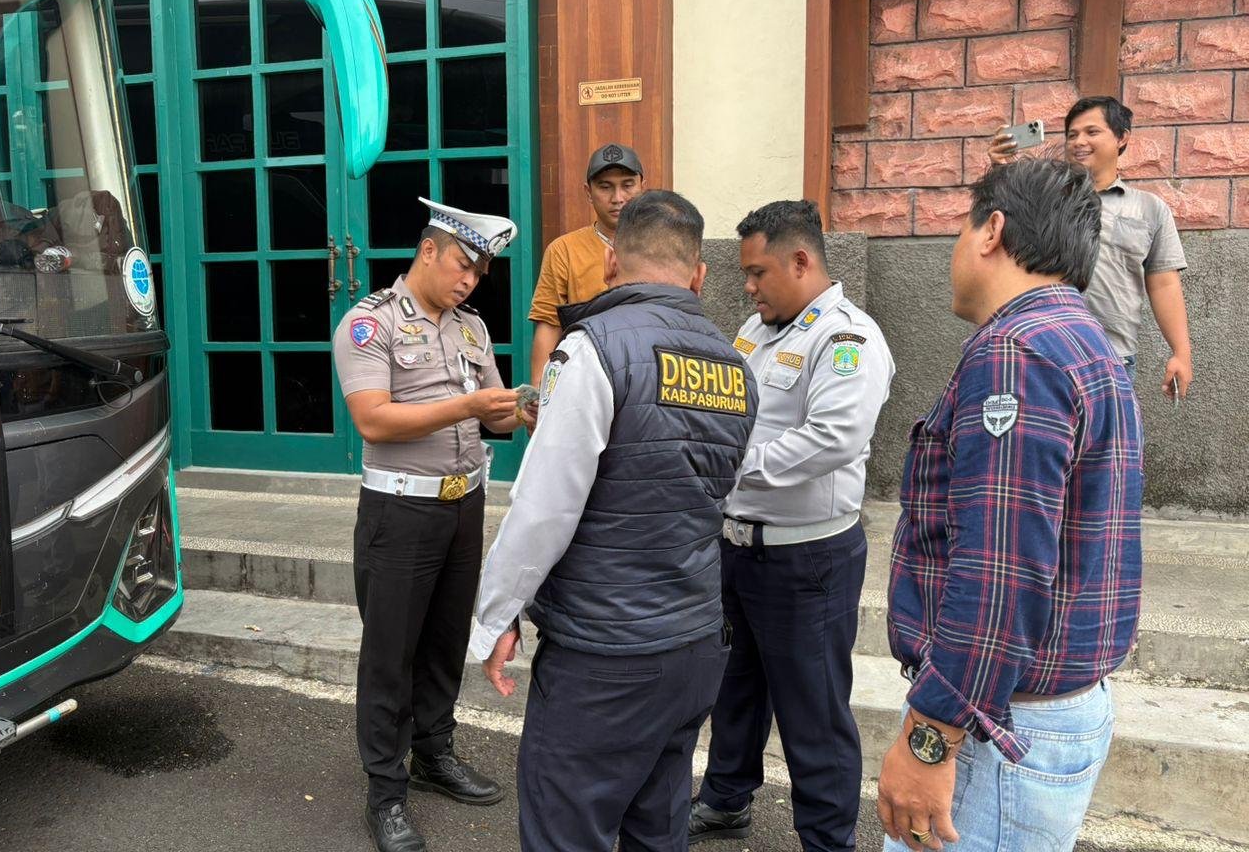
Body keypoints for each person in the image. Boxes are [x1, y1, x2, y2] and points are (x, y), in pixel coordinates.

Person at [471, 189, 757, 852]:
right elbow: (724, 492)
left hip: (604, 653)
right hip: (692, 643)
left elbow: (545, 507)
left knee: (567, 830)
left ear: (608, 264)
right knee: (657, 828)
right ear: (699, 274)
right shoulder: (737, 367)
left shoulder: (592, 350)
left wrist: (496, 616)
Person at [877, 158, 1143, 852]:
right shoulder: (1085, 343)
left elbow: (1001, 569)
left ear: (992, 231)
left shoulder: (1016, 352)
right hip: (1045, 709)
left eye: (961, 230)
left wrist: (931, 735)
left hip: (996, 727)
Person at [690, 200, 894, 852]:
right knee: (735, 688)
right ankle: (725, 800)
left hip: (808, 560)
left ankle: (828, 840)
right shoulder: (756, 330)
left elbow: (832, 438)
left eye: (758, 273)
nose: (748, 287)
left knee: (813, 709)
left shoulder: (846, 339)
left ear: (801, 261)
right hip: (738, 548)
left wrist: (724, 469)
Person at [332, 197, 531, 852]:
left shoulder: (471, 328)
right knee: (391, 655)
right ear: (427, 251)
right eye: (462, 265)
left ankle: (434, 754)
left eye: (479, 273)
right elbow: (373, 419)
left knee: (445, 641)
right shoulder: (371, 323)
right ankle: (385, 792)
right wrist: (470, 405)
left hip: (462, 505)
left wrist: (523, 408)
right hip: (400, 510)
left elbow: (494, 415)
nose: (469, 280)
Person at [989, 95, 1192, 398]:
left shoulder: (1148, 208)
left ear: (1122, 138)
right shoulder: (1042, 198)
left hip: (1113, 358)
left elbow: (1163, 283)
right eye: (1072, 134)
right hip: (1042, 352)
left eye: (1091, 132)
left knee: (1110, 431)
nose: (1078, 142)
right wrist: (1000, 172)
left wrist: (1181, 352)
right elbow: (998, 238)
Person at [527, 142, 644, 381]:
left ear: (643, 187)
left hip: (646, 374)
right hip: (584, 377)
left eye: (627, 185)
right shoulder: (564, 250)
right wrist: (540, 389)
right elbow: (549, 324)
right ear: (588, 192)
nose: (617, 198)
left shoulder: (661, 245)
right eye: (605, 187)